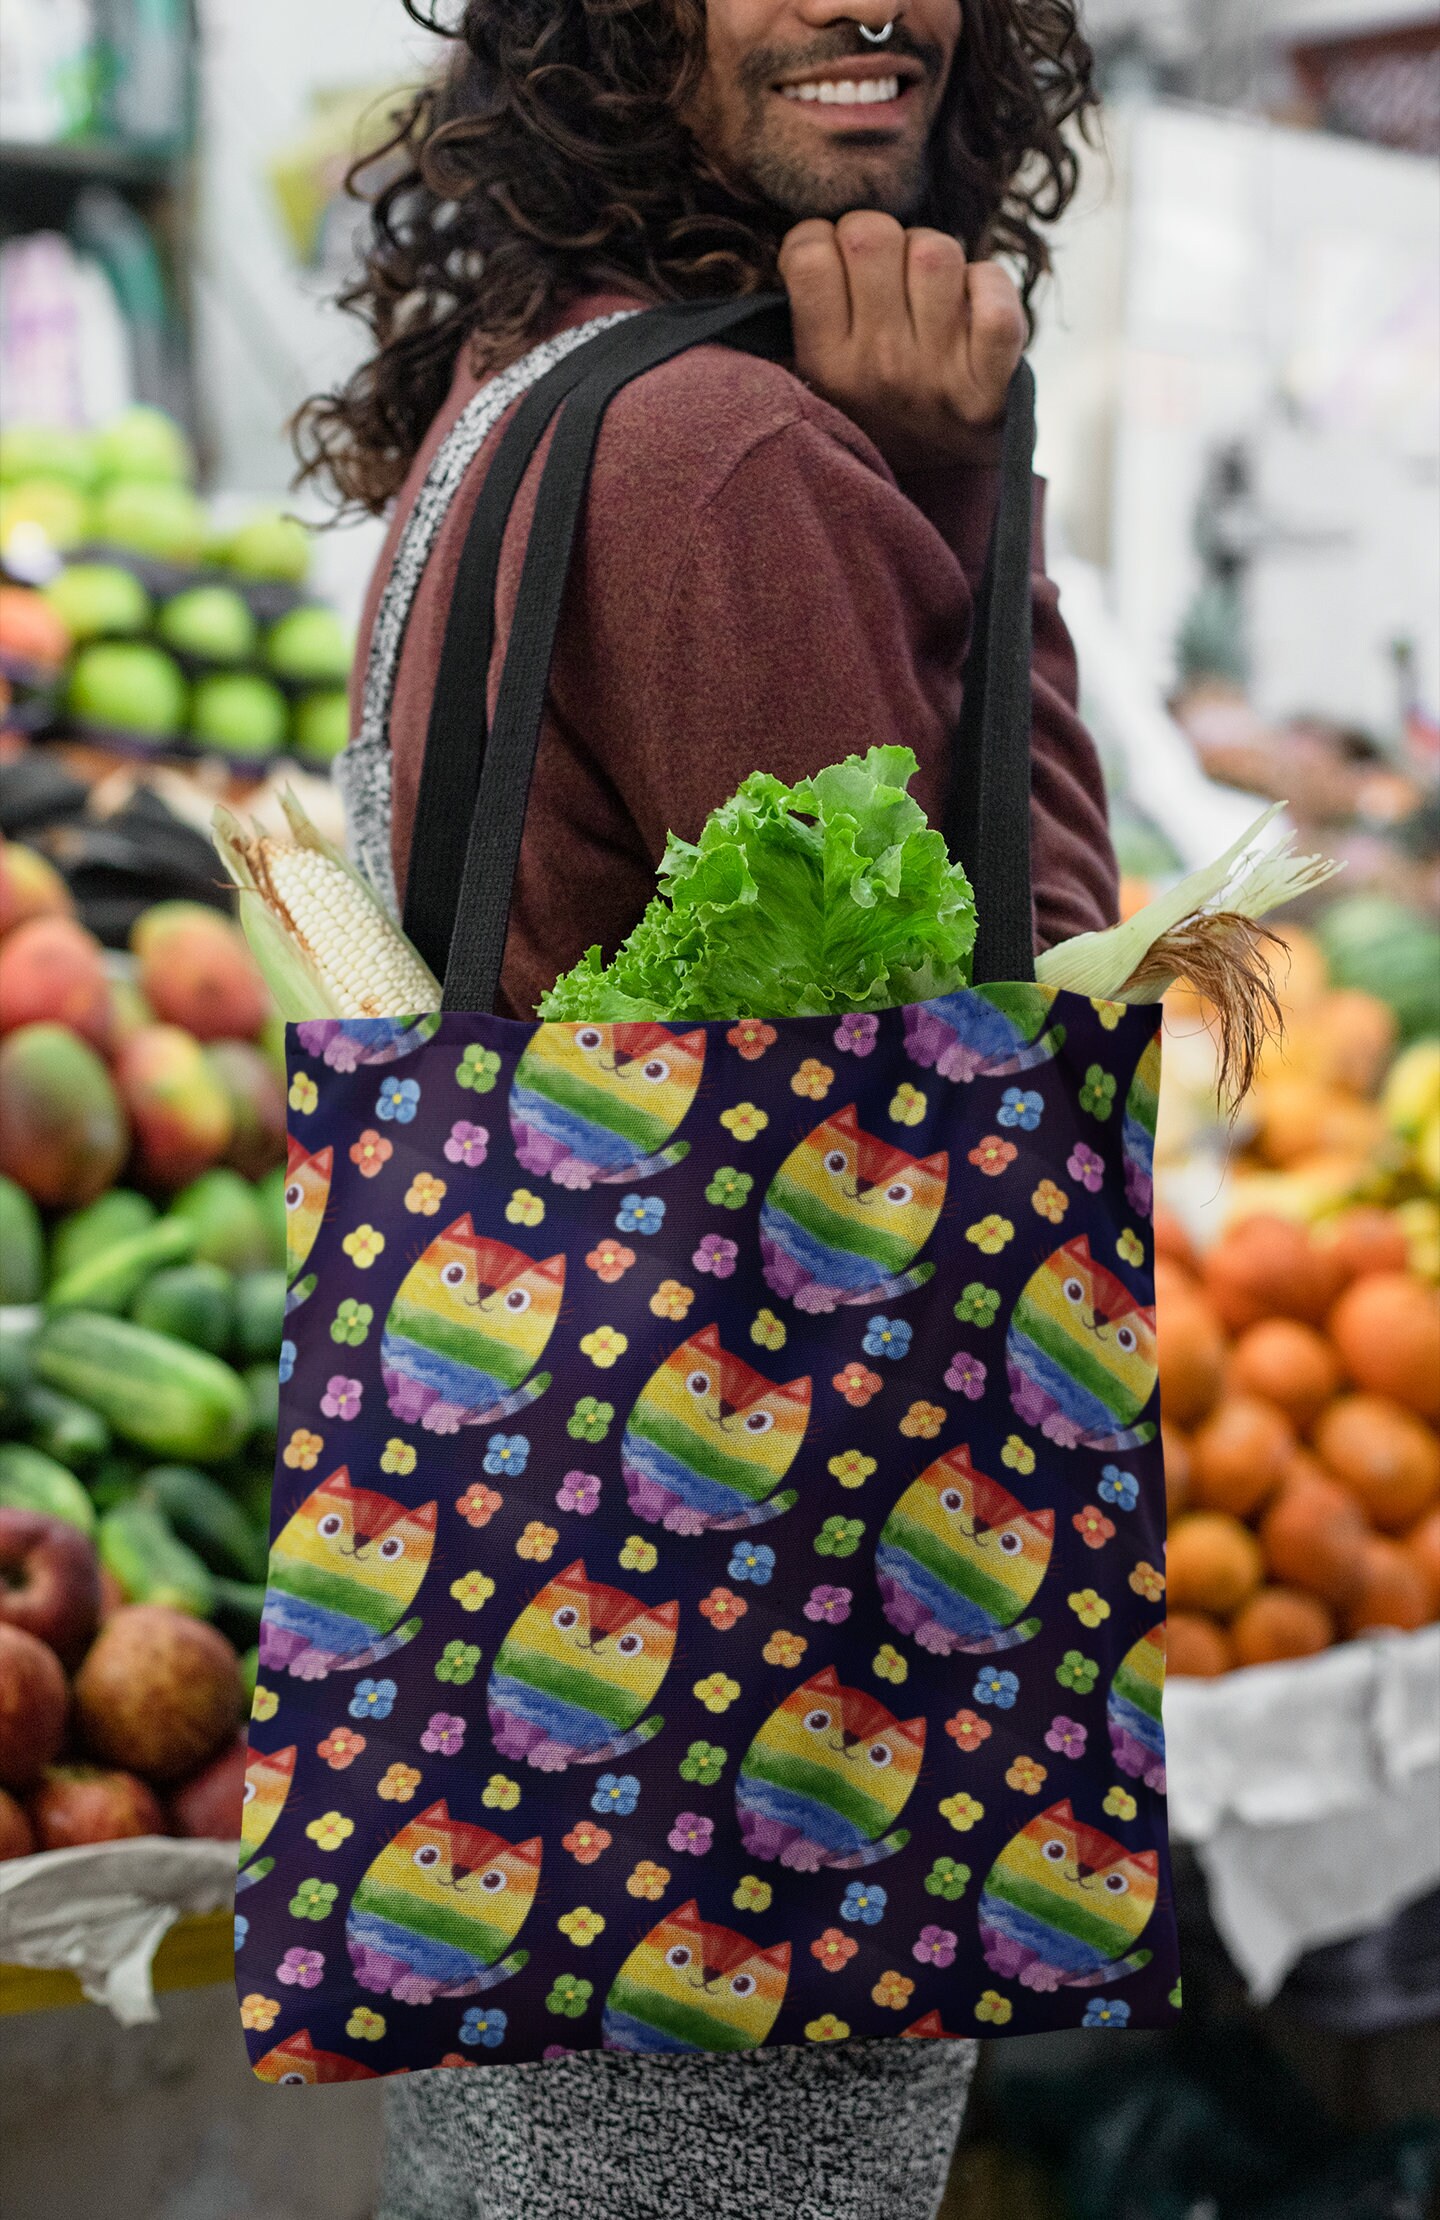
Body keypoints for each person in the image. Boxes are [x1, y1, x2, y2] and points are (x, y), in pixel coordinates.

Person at [298, 5, 1113, 2215]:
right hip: (739, 1767)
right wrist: (965, 483)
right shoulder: (731, 461)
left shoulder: (529, 385)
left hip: (523, 1720)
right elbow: (987, 1074)